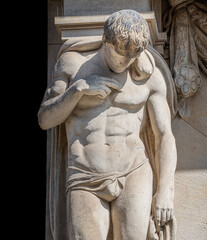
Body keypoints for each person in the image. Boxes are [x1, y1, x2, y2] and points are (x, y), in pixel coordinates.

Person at [38, 10, 177, 239]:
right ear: (105, 40)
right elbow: (45, 119)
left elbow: (164, 136)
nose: (126, 62)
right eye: (120, 54)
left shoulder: (150, 76)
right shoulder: (73, 65)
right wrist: (77, 91)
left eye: (133, 57)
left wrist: (165, 191)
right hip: (85, 174)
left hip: (134, 171)